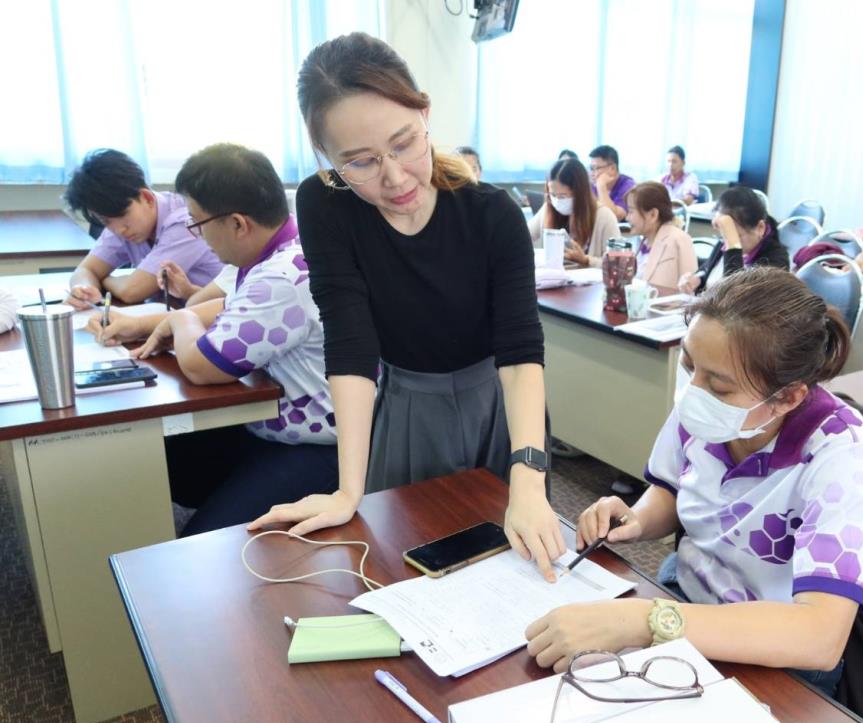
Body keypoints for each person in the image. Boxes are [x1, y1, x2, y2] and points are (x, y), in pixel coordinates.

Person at [249, 33, 563, 581]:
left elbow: (519, 353)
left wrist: (529, 476)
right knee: (401, 564)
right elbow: (350, 342)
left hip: (499, 405)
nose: (393, 177)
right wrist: (347, 489)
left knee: (514, 564)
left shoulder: (490, 214)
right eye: (360, 162)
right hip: (407, 405)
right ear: (327, 159)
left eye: (404, 144)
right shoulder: (326, 204)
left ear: (425, 114)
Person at [524, 268, 863, 699]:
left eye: (719, 386)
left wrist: (644, 622)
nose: (693, 392)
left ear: (788, 397)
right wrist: (638, 519)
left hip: (775, 654)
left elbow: (819, 637)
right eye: (689, 365)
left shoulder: (842, 452)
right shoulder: (707, 407)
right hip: (684, 596)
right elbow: (673, 490)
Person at [86, 143, 338, 535]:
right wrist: (149, 324)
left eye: (198, 224)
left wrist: (182, 320)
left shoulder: (280, 277)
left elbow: (202, 366)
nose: (199, 236)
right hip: (268, 423)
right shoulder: (280, 248)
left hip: (316, 446)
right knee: (163, 463)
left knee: (201, 544)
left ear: (238, 224)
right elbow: (230, 307)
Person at [63, 149, 224, 308]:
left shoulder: (185, 221)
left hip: (215, 316)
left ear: (147, 198)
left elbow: (131, 292)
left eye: (122, 216)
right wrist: (85, 290)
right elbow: (86, 269)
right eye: (105, 221)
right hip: (170, 313)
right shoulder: (120, 222)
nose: (119, 230)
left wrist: (104, 280)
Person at [681, 187, 789, 293]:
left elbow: (733, 296)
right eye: (724, 236)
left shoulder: (776, 263)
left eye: (736, 236)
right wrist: (697, 279)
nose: (726, 242)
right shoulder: (725, 241)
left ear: (760, 228)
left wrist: (733, 244)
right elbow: (707, 271)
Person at [527, 158, 619, 269]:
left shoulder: (604, 216)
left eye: (563, 196)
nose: (557, 201)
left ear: (580, 194)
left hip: (589, 279)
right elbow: (523, 236)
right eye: (553, 195)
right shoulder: (549, 208)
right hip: (554, 277)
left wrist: (586, 260)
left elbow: (617, 264)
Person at [626, 182, 697, 289]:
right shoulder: (642, 240)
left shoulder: (678, 239)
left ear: (653, 215)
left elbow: (690, 289)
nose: (627, 218)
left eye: (631, 211)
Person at [588, 145, 636, 222]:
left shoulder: (628, 186)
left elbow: (614, 217)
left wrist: (601, 187)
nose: (592, 173)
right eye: (591, 169)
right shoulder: (592, 186)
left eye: (596, 168)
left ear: (612, 168)